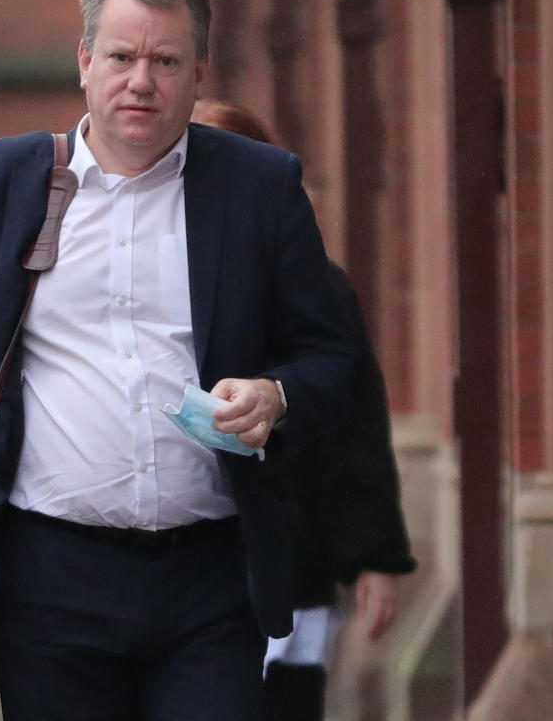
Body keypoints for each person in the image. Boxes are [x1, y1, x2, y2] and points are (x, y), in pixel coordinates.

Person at [0, 0, 355, 721]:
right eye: (121, 56)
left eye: (165, 60)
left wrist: (278, 393)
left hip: (210, 580)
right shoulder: (0, 184)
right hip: (50, 583)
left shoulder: (260, 187)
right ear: (85, 61)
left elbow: (335, 358)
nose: (140, 80)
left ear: (200, 72)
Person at [192, 100, 416, 721]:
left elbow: (357, 423)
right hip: (182, 555)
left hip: (294, 554)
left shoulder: (315, 286)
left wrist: (374, 556)